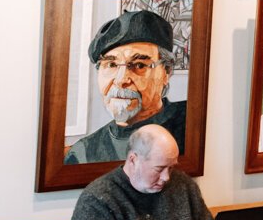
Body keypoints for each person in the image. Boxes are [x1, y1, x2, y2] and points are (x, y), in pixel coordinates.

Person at [68, 125, 212, 220]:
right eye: (159, 168)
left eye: (171, 167)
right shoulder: (98, 197)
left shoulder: (183, 184)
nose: (166, 177)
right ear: (133, 160)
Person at [65, 10, 186, 164]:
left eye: (139, 65)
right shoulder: (83, 153)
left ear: (166, 72)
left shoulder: (193, 123)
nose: (121, 80)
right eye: (111, 64)